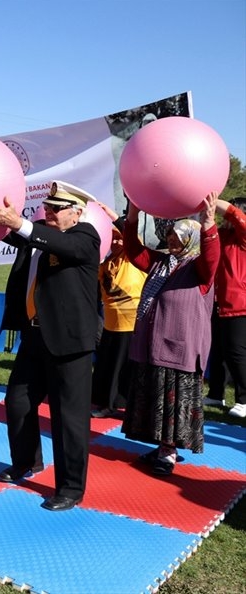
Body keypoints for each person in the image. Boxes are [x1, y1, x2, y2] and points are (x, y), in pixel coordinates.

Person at [0, 180, 100, 511]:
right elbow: (10, 236)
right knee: (17, 401)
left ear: (77, 212)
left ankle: (71, 487)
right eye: (46, 207)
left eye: (56, 209)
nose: (48, 212)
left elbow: (65, 246)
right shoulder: (36, 237)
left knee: (68, 418)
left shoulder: (86, 236)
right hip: (34, 336)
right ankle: (26, 462)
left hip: (69, 342)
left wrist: (21, 224)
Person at [122, 194, 221, 475]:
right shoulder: (161, 262)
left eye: (178, 236)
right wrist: (132, 215)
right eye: (170, 235)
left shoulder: (199, 269)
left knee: (172, 401)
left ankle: (169, 452)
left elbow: (212, 255)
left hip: (179, 350)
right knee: (155, 398)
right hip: (152, 347)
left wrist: (209, 223)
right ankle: (160, 446)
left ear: (191, 238)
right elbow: (132, 250)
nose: (172, 240)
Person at [91, 219, 146, 418]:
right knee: (107, 367)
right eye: (112, 240)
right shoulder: (105, 265)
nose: (116, 243)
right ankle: (107, 404)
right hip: (110, 324)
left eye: (120, 240)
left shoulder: (132, 258)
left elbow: (131, 237)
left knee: (127, 368)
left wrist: (112, 216)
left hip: (132, 324)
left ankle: (129, 407)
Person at [207, 198, 246, 418]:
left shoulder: (243, 237)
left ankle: (244, 399)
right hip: (218, 302)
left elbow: (236, 216)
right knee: (218, 351)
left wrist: (210, 197)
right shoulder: (224, 235)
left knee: (236, 352)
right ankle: (215, 393)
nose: (227, 217)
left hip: (239, 304)